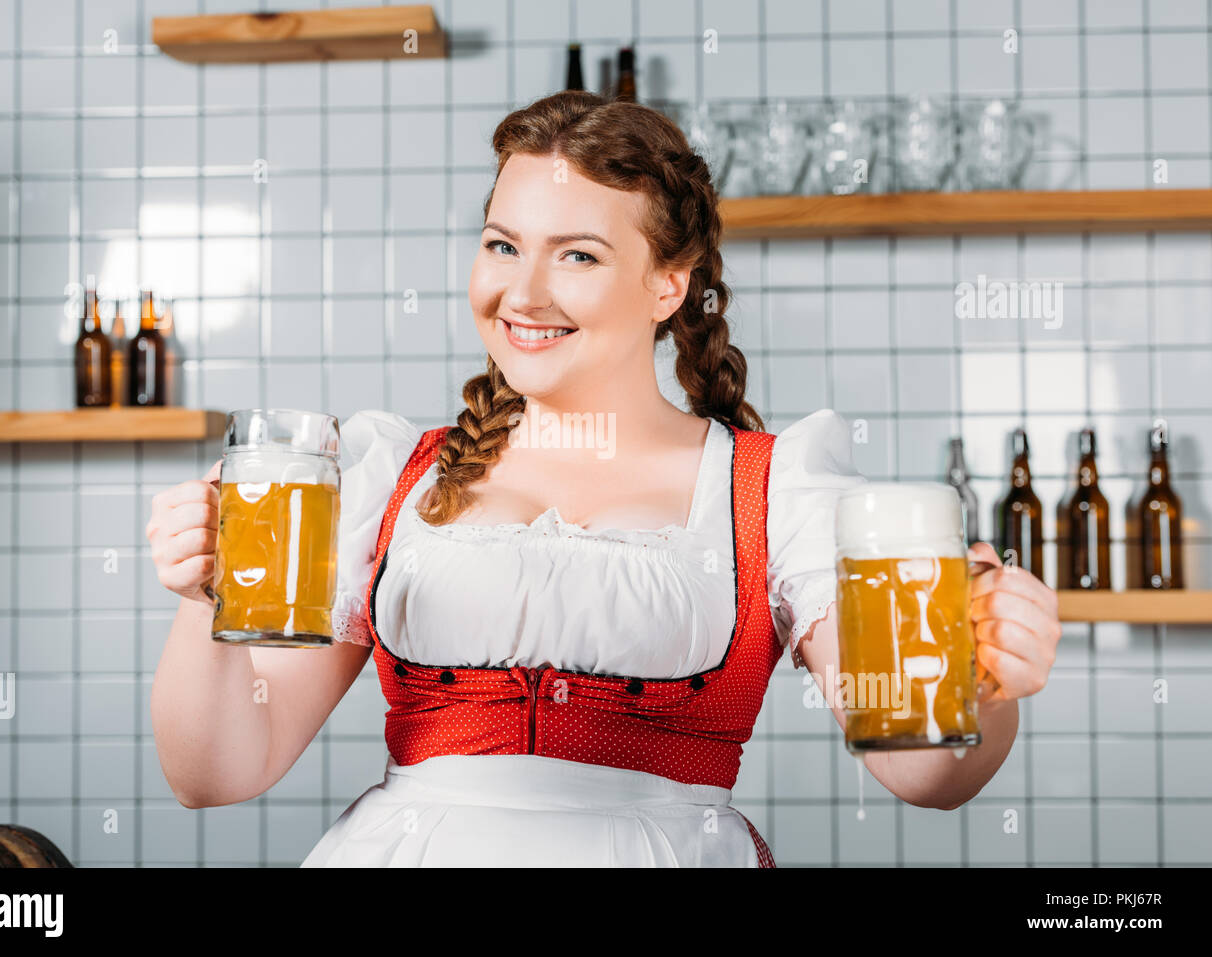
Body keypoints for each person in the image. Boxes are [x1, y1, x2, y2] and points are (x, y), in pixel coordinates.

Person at [147, 91, 1062, 867]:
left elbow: (924, 774)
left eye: (577, 254)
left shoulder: (770, 492)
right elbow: (215, 774)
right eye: (503, 245)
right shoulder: (396, 475)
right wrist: (204, 600)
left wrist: (990, 685)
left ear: (668, 284)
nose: (523, 293)